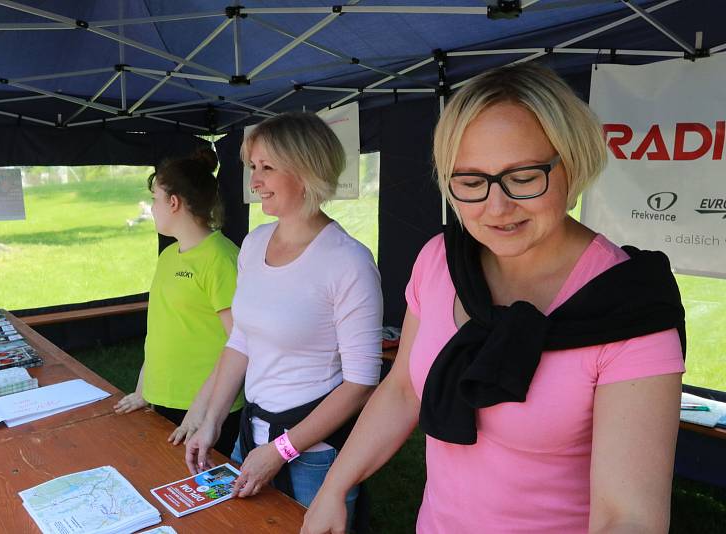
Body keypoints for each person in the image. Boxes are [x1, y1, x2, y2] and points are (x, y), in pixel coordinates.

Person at [302, 63, 686, 534]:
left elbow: (629, 517)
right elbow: (402, 388)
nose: (496, 207)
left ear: (573, 163)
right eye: (470, 181)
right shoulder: (440, 259)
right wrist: (334, 486)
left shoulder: (631, 310)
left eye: (523, 177)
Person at [185, 112, 383, 521]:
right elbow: (241, 341)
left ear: (308, 171)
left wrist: (282, 451)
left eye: (267, 168)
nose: (254, 181)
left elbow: (361, 382)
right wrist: (212, 421)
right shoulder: (253, 245)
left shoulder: (348, 262)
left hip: (314, 456)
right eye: (253, 167)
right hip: (251, 441)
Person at [114, 147, 243, 457]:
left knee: (207, 497)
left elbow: (240, 343)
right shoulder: (169, 255)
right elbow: (162, 328)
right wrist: (146, 388)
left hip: (206, 410)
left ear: (174, 203)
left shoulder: (221, 259)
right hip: (165, 400)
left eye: (155, 199)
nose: (152, 208)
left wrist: (203, 411)